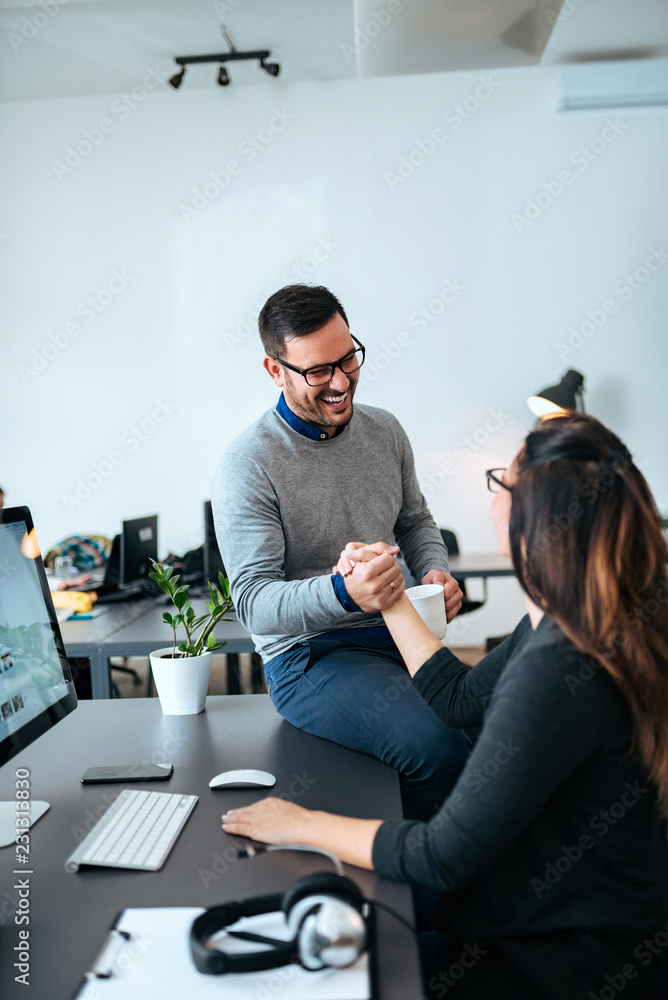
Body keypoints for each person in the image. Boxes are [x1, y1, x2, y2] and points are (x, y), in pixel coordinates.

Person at [221, 412, 668, 1000]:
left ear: (534, 521)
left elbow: (442, 856)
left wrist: (301, 824)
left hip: (560, 963)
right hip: (573, 920)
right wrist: (384, 593)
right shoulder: (581, 619)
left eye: (501, 483)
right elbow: (458, 698)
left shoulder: (557, 669)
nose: (496, 496)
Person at [211, 284, 467, 820]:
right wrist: (342, 593)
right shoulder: (247, 465)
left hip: (402, 633)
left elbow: (416, 520)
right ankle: (422, 887)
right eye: (317, 371)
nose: (340, 382)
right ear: (274, 370)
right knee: (440, 750)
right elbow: (253, 602)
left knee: (503, 723)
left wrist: (436, 571)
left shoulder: (386, 430)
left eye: (347, 358)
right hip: (310, 657)